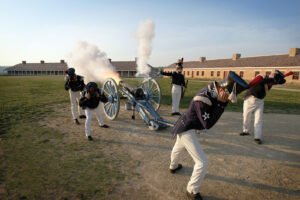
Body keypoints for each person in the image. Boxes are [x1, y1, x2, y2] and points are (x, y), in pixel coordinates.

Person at [169, 71, 248, 200]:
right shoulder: (203, 99)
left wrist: (220, 103)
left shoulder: (213, 90)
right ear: (222, 90)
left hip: (186, 125)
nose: (228, 98)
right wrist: (221, 105)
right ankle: (192, 189)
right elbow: (207, 124)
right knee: (202, 162)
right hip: (187, 128)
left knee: (178, 148)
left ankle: (173, 166)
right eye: (228, 95)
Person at [240, 70, 286, 144]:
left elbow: (283, 81)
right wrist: (273, 79)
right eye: (273, 75)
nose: (272, 75)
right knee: (246, 116)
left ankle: (257, 137)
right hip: (250, 99)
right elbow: (262, 81)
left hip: (260, 101)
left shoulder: (274, 81)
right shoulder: (261, 76)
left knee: (258, 119)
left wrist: (279, 79)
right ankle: (245, 131)